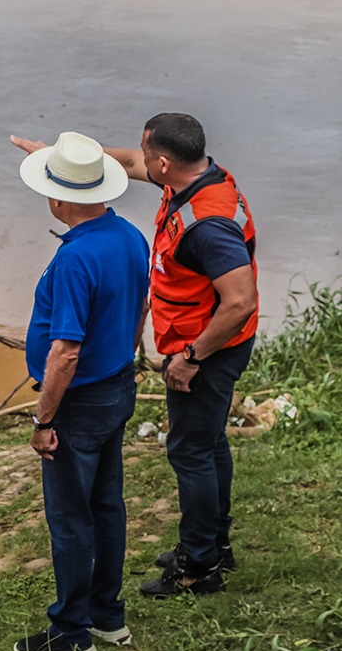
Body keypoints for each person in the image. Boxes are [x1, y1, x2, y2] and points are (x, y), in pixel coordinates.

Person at [14, 113, 258, 597]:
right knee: (208, 444)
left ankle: (198, 565)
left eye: (146, 156)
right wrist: (60, 162)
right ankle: (214, 542)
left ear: (164, 163)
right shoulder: (196, 176)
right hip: (199, 341)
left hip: (208, 346)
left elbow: (240, 302)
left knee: (191, 452)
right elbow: (120, 161)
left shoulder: (209, 225)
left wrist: (190, 356)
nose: (136, 162)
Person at [9, 131, 149, 651]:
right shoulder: (130, 236)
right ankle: (107, 616)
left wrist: (45, 419)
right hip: (117, 388)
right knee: (107, 505)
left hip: (82, 401)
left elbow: (64, 353)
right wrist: (126, 356)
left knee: (71, 517)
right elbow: (141, 308)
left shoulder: (74, 260)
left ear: (57, 199)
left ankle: (70, 634)